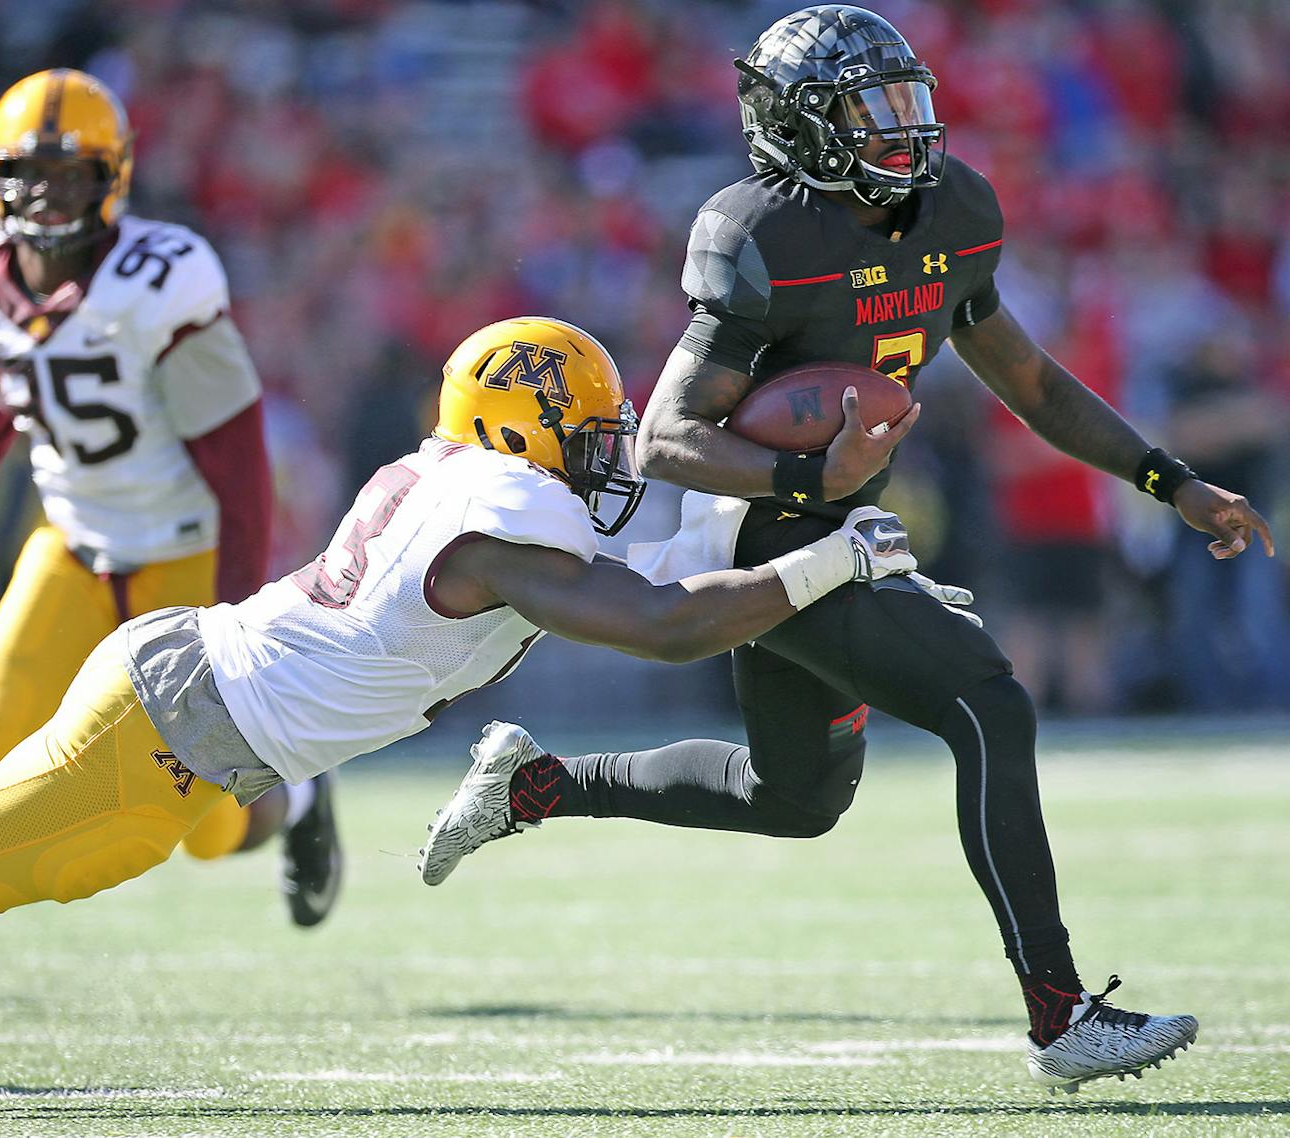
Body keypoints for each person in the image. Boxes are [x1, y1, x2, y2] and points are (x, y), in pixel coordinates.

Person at [418, 6, 1273, 1094]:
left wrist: (1168, 478)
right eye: (869, 109)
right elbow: (670, 434)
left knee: (793, 797)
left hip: (832, 512)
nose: (902, 127)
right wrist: (802, 482)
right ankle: (1060, 1015)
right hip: (764, 519)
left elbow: (1033, 383)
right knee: (989, 704)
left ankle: (534, 784)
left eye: (906, 99)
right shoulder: (760, 235)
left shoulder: (952, 209)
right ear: (797, 129)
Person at [0, 317, 929, 999]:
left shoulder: (479, 485)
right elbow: (661, 624)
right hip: (167, 730)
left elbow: (661, 557)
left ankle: (298, 803)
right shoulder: (498, 514)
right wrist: (835, 556)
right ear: (519, 426)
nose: (605, 451)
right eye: (585, 430)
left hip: (194, 713)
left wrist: (799, 493)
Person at [0, 69, 341, 1015]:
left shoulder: (157, 281)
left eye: (72, 175)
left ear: (112, 178)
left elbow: (240, 462)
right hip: (74, 543)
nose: (48, 196)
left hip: (190, 553)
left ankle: (297, 802)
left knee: (211, 829)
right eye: (28, 173)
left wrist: (238, 611)